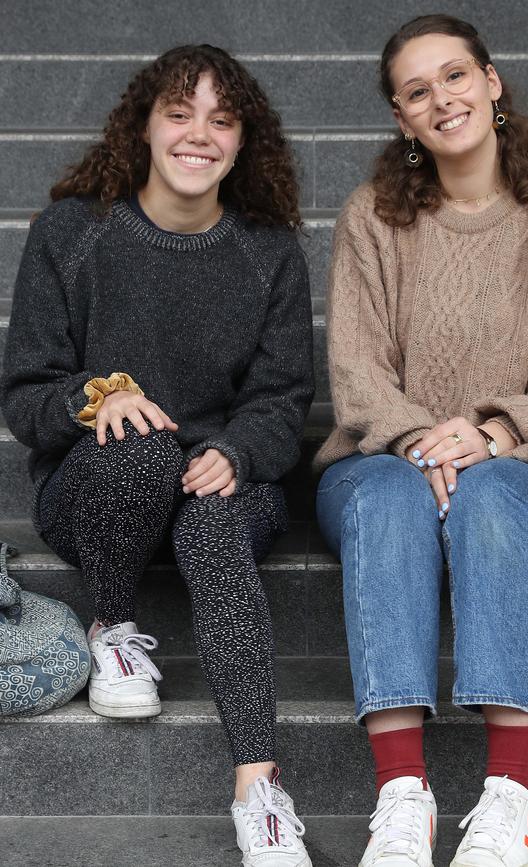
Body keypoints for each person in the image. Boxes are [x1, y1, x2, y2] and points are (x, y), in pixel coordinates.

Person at [0, 44, 314, 867]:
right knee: (139, 444)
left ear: (244, 141)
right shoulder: (74, 231)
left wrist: (241, 451)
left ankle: (259, 791)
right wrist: (95, 397)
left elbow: (285, 400)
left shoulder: (268, 249)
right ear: (143, 126)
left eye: (222, 119)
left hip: (222, 482)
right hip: (100, 483)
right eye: (179, 113)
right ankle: (112, 622)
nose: (198, 135)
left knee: (211, 525)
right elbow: (25, 394)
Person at [315, 14, 528, 867]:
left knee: (484, 490)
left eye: (454, 76)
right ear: (401, 120)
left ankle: (511, 798)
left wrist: (490, 434)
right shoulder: (371, 220)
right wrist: (421, 443)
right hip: (380, 467)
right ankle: (402, 797)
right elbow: (359, 372)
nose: (440, 98)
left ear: (492, 82)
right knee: (386, 491)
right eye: (417, 91)